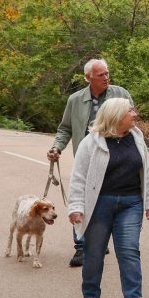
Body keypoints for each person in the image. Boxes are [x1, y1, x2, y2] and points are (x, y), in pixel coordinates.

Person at [67, 98, 149, 298]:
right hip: (99, 204)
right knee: (94, 251)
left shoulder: (137, 137)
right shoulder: (91, 142)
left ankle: (135, 297)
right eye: (130, 111)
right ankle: (91, 296)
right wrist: (76, 207)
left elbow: (145, 172)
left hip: (131, 202)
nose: (135, 114)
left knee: (129, 250)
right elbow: (78, 177)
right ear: (116, 116)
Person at [48, 58, 134, 267]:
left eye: (107, 73)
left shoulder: (120, 94)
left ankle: (99, 238)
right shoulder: (75, 100)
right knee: (84, 200)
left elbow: (132, 120)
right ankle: (80, 247)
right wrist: (56, 147)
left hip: (115, 159)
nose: (106, 78)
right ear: (88, 78)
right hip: (87, 159)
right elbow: (65, 128)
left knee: (105, 200)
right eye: (101, 75)